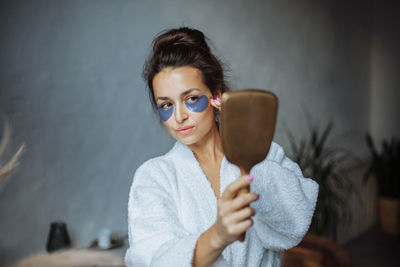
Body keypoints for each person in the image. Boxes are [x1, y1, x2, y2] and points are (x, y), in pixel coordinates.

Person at [125, 27, 318, 267]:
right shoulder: (154, 177)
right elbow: (153, 260)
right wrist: (217, 235)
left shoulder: (263, 155)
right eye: (166, 105)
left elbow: (295, 224)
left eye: (191, 99)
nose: (179, 116)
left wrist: (252, 168)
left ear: (216, 95)